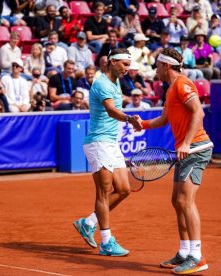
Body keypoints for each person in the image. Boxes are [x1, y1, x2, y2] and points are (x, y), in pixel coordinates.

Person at [138, 47, 212, 274]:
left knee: (185, 201)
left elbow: (199, 113)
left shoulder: (182, 84)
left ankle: (197, 257)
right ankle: (184, 252)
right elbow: (165, 118)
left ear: (166, 66)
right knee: (177, 201)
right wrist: (142, 124)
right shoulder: (171, 90)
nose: (156, 70)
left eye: (158, 66)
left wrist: (187, 143)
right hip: (187, 150)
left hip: (197, 148)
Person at [73, 48, 142, 257]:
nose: (127, 69)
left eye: (129, 65)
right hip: (98, 143)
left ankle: (88, 223)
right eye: (124, 64)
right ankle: (106, 242)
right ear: (112, 62)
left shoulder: (116, 81)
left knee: (123, 189)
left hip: (111, 143)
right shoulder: (102, 83)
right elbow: (111, 110)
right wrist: (130, 119)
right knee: (103, 192)